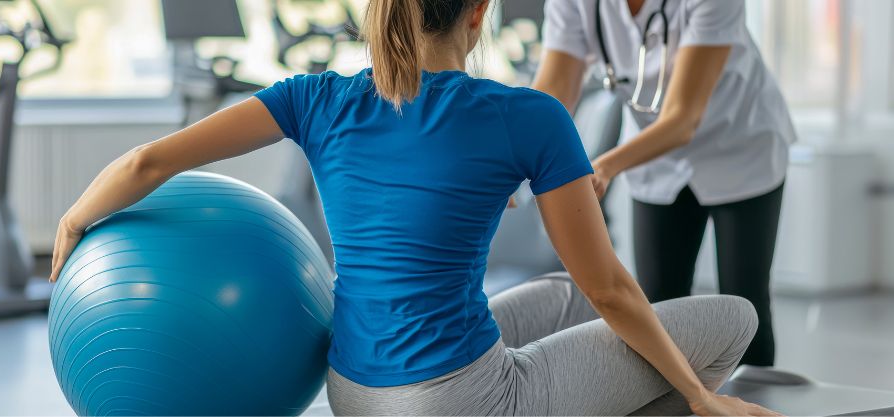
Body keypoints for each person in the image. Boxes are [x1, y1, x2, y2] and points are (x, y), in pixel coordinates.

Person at [49, 0, 778, 414]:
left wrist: (79, 215)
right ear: (480, 13)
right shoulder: (526, 116)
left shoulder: (317, 97)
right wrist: (702, 398)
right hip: (453, 402)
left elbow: (149, 161)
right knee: (733, 316)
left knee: (556, 298)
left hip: (351, 393)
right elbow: (611, 288)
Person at [532, 0, 794, 367]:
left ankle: (751, 404)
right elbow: (554, 89)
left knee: (744, 304)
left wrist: (603, 166)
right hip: (652, 158)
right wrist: (514, 154)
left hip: (739, 146)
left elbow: (682, 118)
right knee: (659, 307)